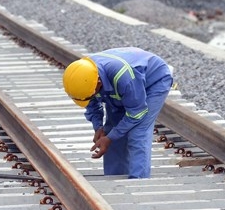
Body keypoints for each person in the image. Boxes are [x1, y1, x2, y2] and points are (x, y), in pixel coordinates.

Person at [61, 47, 174, 179]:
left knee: (138, 131)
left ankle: (139, 181)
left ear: (98, 82)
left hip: (153, 82)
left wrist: (109, 138)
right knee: (112, 130)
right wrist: (98, 128)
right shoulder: (84, 77)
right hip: (124, 85)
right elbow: (91, 104)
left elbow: (136, 113)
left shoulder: (123, 76)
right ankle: (115, 178)